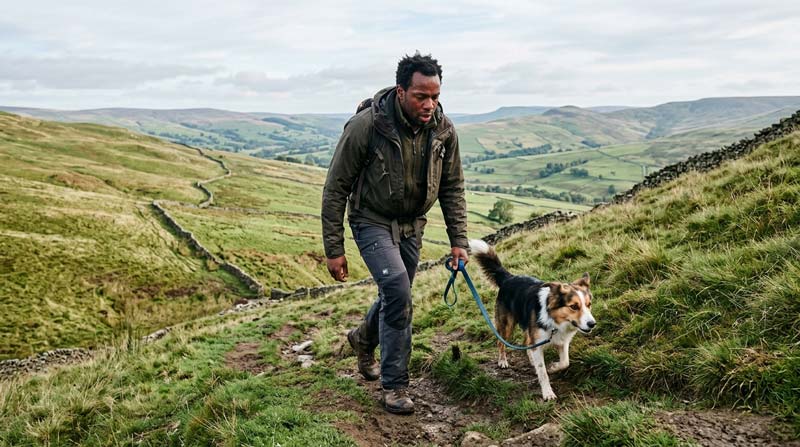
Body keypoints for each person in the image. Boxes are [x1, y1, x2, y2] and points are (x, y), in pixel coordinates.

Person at [321, 52, 469, 414]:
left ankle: (362, 338)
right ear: (401, 90)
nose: (429, 104)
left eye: (434, 96)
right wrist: (334, 248)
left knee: (395, 295)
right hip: (371, 220)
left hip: (412, 225)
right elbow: (335, 187)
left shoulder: (443, 130)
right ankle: (395, 386)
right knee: (398, 291)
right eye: (421, 96)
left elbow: (452, 187)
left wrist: (458, 241)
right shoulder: (366, 126)